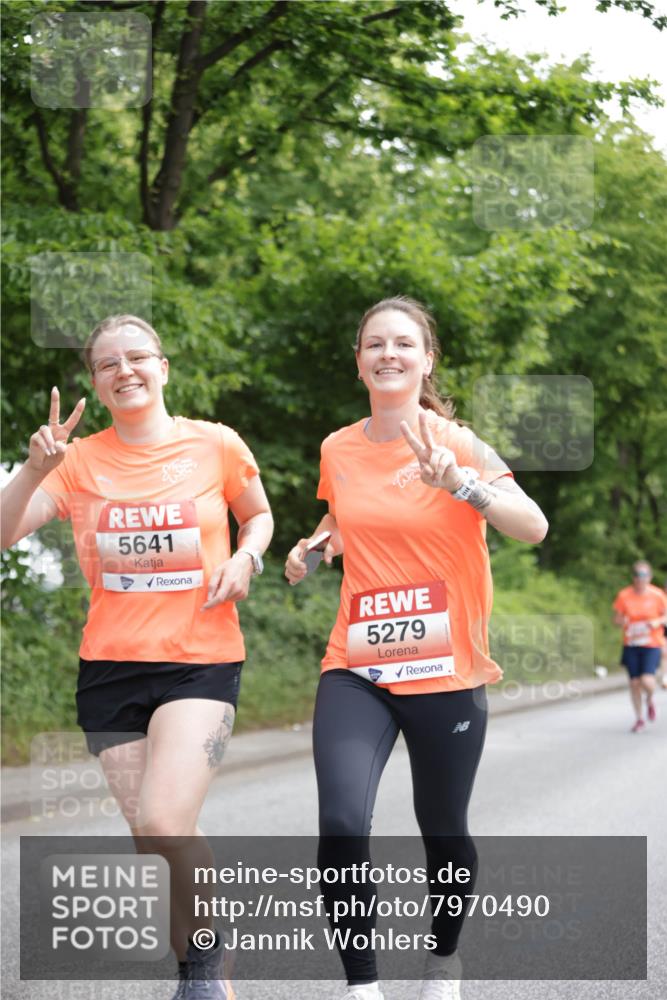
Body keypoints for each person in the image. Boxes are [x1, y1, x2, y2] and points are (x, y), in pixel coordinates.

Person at [1, 315, 273, 999]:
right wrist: (34, 470)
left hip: (200, 659)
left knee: (161, 820)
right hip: (110, 670)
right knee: (154, 836)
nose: (124, 370)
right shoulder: (76, 461)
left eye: (137, 357)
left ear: (163, 366)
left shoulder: (215, 444)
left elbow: (258, 515)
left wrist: (247, 557)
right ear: (94, 383)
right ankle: (202, 962)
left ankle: (204, 971)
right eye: (107, 364)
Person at [284, 296, 549, 1000]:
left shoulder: (456, 442)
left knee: (444, 830)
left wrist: (460, 484)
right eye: (374, 344)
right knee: (341, 822)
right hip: (358, 665)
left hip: (446, 669)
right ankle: (361, 987)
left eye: (403, 343)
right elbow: (345, 518)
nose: (388, 354)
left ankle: (442, 959)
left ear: (426, 360)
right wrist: (315, 547)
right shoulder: (338, 448)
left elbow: (532, 525)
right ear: (359, 362)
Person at [612, 561, 667, 732]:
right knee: (634, 683)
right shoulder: (624, 595)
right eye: (637, 575)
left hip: (651, 643)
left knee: (647, 681)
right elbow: (616, 620)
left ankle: (650, 699)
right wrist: (621, 621)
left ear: (649, 577)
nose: (640, 578)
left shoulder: (657, 595)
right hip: (631, 643)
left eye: (643, 575)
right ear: (633, 577)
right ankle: (639, 718)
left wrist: (657, 621)